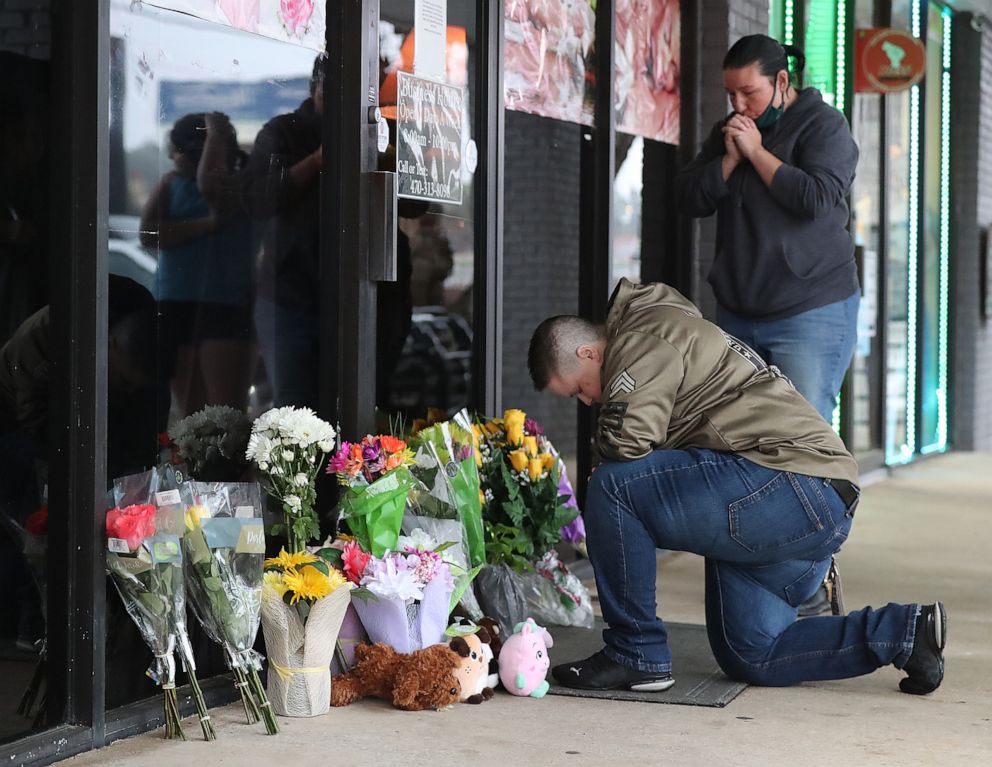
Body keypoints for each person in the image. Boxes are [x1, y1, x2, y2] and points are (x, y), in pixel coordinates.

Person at [527, 278, 945, 696]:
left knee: (612, 486)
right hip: (812, 501)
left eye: (580, 389)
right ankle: (904, 633)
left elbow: (628, 442)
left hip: (787, 482)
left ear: (589, 352)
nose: (587, 402)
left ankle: (634, 653)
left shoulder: (642, 338)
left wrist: (600, 453)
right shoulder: (661, 328)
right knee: (752, 654)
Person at [676, 35, 860, 423]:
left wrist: (757, 153)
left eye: (748, 93)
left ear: (780, 82)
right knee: (739, 434)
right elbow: (688, 199)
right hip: (738, 311)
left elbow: (815, 198)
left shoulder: (825, 126)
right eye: (731, 95)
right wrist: (729, 160)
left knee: (802, 433)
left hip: (810, 308)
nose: (739, 106)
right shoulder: (731, 131)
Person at [140, 111, 253, 416]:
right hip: (175, 298)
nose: (174, 158)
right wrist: (208, 224)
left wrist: (216, 135)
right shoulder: (171, 183)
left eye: (180, 151)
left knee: (225, 409)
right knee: (190, 409)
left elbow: (212, 186)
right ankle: (193, 462)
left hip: (225, 302)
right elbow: (149, 234)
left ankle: (222, 462)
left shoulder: (236, 183)